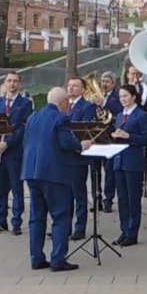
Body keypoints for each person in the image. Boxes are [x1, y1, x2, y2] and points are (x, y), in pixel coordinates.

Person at [23, 87, 91, 272]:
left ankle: (36, 258)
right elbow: (66, 143)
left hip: (31, 171)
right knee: (61, 215)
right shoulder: (60, 118)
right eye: (67, 103)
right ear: (61, 103)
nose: (68, 107)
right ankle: (58, 259)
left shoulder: (33, 117)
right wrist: (81, 145)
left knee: (36, 217)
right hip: (53, 173)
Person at [0, 72, 33, 236]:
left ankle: (16, 222)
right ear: (4, 83)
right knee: (0, 187)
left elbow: (23, 128)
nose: (12, 84)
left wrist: (7, 143)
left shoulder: (25, 104)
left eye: (15, 81)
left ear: (19, 84)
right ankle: (0, 221)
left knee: (16, 187)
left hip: (14, 152)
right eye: (9, 81)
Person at [110, 84, 147, 246]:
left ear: (133, 96)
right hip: (119, 160)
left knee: (133, 199)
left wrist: (128, 135)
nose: (123, 99)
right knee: (122, 198)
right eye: (120, 97)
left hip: (133, 161)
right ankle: (124, 230)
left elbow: (145, 139)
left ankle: (132, 233)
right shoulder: (119, 115)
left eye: (126, 96)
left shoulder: (140, 115)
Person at [65, 77, 97, 240]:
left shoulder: (87, 106)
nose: (70, 88)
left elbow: (82, 128)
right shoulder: (63, 105)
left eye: (75, 86)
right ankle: (65, 226)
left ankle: (80, 227)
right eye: (69, 85)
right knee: (65, 194)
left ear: (83, 90)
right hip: (63, 156)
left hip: (78, 156)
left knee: (79, 193)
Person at [95, 72, 120, 213]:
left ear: (113, 83)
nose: (104, 84)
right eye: (102, 81)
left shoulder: (117, 96)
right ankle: (97, 198)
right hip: (96, 136)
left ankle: (108, 200)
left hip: (110, 136)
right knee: (95, 171)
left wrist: (104, 103)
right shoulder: (96, 96)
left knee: (109, 171)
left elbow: (119, 110)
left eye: (107, 82)